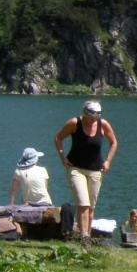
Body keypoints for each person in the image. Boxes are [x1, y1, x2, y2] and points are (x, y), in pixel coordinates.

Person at [54, 100, 118, 239]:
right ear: (85, 113)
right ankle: (84, 236)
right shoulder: (74, 123)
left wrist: (108, 161)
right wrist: (63, 158)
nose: (92, 120)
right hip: (76, 168)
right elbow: (58, 138)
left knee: (91, 207)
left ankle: (86, 236)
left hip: (95, 170)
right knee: (83, 203)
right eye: (90, 117)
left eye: (95, 117)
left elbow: (113, 142)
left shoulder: (103, 125)